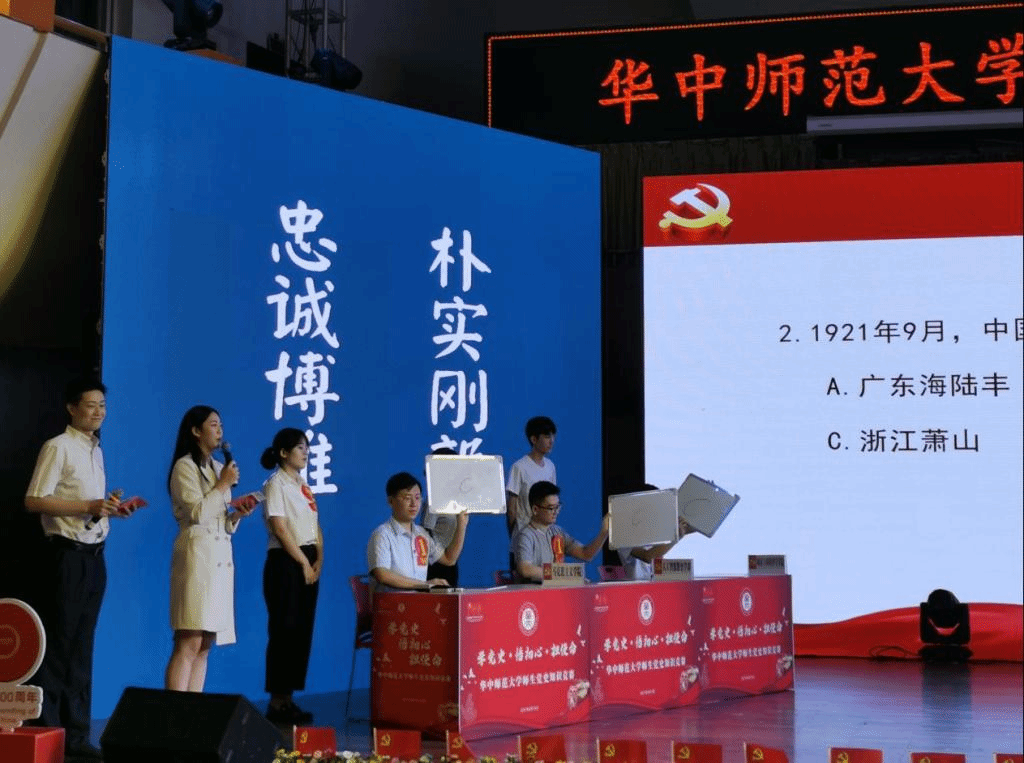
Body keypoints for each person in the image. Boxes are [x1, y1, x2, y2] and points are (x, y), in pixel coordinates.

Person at [25, 377, 135, 762]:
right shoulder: (58, 446)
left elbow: (87, 507)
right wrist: (87, 506)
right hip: (66, 557)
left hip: (94, 556)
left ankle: (77, 736)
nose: (99, 412)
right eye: (91, 405)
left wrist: (108, 510)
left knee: (82, 648)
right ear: (72, 408)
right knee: (60, 647)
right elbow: (35, 500)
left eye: (102, 405)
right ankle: (51, 733)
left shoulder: (95, 450)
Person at [164, 405, 256, 693]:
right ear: (196, 431)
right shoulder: (184, 467)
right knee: (189, 640)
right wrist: (223, 485)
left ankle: (193, 709)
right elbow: (197, 513)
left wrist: (237, 514)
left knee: (205, 643)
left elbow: (220, 520)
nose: (220, 431)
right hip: (196, 558)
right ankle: (174, 710)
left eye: (221, 425)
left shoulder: (217, 468)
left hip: (219, 559)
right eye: (213, 425)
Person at [259, 427, 322, 725]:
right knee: (284, 630)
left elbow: (315, 525)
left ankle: (289, 698)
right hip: (285, 561)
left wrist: (319, 559)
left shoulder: (303, 485)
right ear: (283, 453)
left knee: (301, 631)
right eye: (299, 447)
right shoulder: (275, 484)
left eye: (307, 447)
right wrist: (303, 563)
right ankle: (276, 701)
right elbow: (280, 528)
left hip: (307, 558)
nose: (305, 452)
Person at [367, 471, 468, 594]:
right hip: (391, 603)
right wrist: (425, 585)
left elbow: (449, 559)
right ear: (390, 501)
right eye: (407, 498)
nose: (414, 504)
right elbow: (382, 575)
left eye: (417, 497)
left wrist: (461, 525)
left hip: (418, 601)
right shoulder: (382, 535)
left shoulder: (422, 534)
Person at [513, 481, 609, 583]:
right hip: (533, 591)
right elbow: (525, 569)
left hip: (555, 589)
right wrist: (564, 575)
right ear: (535, 509)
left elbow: (585, 554)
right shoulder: (526, 535)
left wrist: (604, 533)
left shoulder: (557, 532)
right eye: (551, 508)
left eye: (557, 507)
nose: (556, 512)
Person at [616, 484, 698, 581]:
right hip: (638, 588)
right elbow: (648, 556)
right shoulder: (624, 534)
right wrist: (676, 536)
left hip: (657, 584)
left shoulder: (655, 529)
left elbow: (689, 528)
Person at [505, 416, 557, 539]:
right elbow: (511, 507)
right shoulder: (519, 467)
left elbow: (553, 502)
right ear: (534, 439)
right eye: (547, 436)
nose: (551, 441)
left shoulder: (550, 466)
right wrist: (515, 536)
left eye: (553, 436)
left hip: (545, 536)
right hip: (524, 534)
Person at [421, 446, 459, 587]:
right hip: (436, 564)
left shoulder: (455, 499)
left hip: (451, 560)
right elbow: (426, 531)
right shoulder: (434, 499)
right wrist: (439, 556)